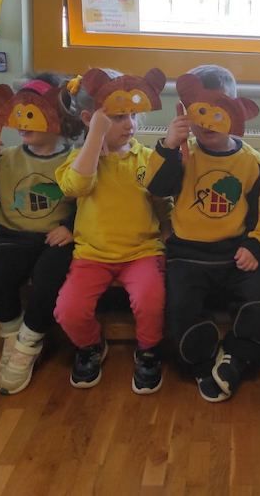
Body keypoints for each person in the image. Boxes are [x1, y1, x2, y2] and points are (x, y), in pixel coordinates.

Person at [156, 65, 260, 402]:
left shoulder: (253, 162)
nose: (208, 122)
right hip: (187, 254)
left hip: (236, 252)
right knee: (179, 307)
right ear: (186, 112)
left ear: (236, 112)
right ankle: (203, 358)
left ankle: (236, 355)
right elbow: (158, 188)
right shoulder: (181, 153)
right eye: (200, 111)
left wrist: (255, 244)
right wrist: (169, 146)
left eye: (219, 111)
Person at [53, 68, 176, 392]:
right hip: (92, 255)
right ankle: (91, 346)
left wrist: (167, 229)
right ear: (89, 119)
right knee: (68, 310)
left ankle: (148, 351)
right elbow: (76, 187)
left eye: (132, 115)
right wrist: (95, 136)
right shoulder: (79, 160)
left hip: (142, 252)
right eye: (118, 117)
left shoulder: (145, 157)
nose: (129, 124)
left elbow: (161, 199)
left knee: (151, 300)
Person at [0, 74, 82, 395]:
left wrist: (70, 227)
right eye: (18, 113)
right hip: (13, 238)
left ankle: (28, 343)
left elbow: (90, 200)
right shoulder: (5, 158)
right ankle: (14, 335)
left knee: (48, 280)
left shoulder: (74, 159)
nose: (23, 123)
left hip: (57, 241)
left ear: (58, 118)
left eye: (33, 114)